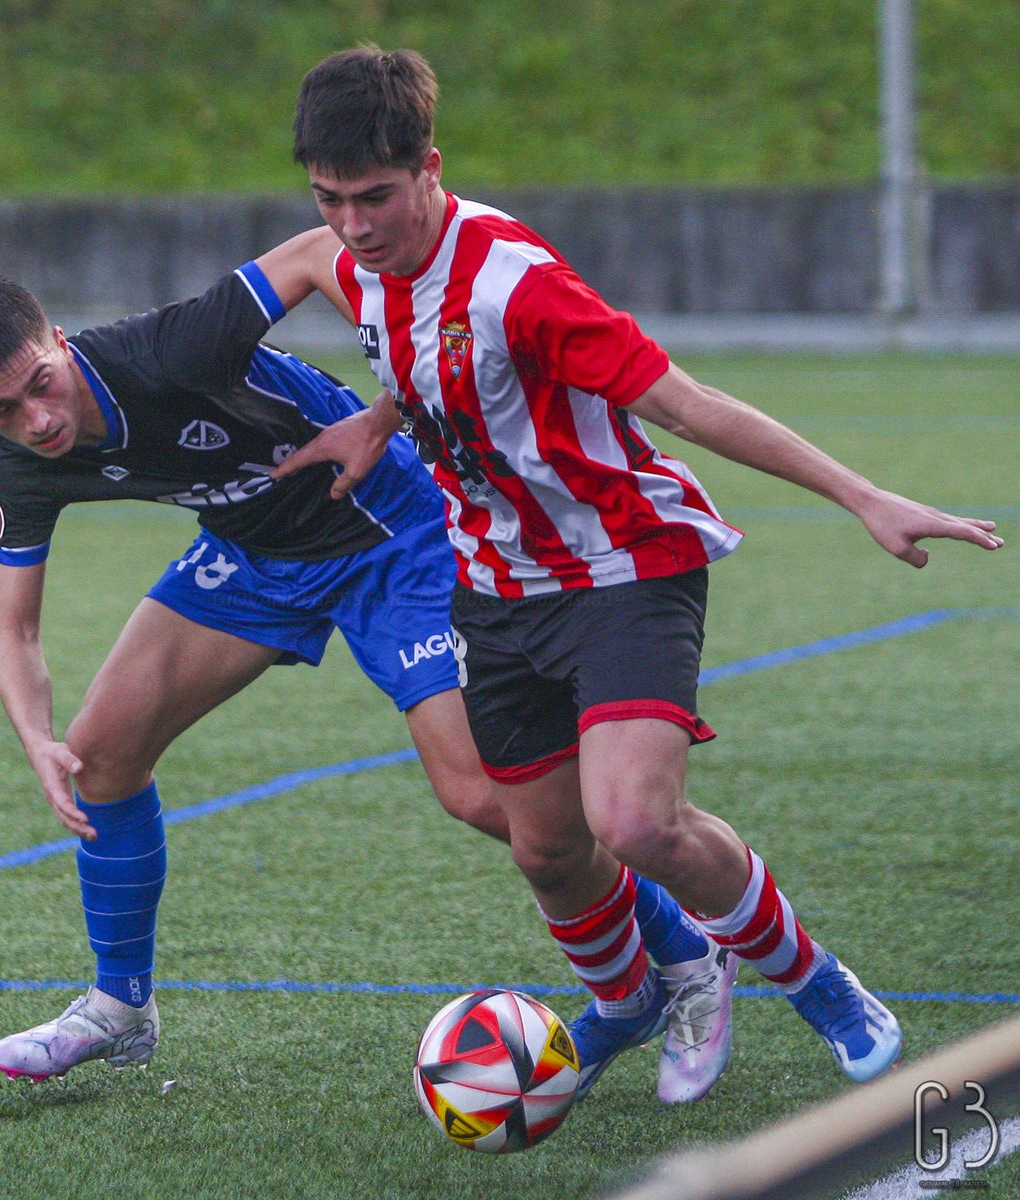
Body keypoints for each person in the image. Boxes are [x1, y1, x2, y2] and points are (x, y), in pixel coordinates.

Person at [262, 45, 1005, 1091]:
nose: (351, 225)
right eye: (329, 199)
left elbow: (686, 404)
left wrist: (862, 495)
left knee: (635, 822)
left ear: (431, 166)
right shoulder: (356, 267)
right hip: (494, 587)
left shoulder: (519, 285)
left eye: (375, 197)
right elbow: (421, 355)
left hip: (621, 564)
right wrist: (376, 423)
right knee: (547, 851)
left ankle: (820, 983)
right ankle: (640, 996)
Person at [0, 272, 737, 1103]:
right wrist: (35, 736)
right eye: (1, 411)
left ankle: (686, 955)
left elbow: (320, 250)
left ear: (59, 340)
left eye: (41, 385)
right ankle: (120, 1006)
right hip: (258, 553)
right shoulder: (22, 467)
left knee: (484, 797)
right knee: (98, 760)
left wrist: (388, 387)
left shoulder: (170, 347)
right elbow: (14, 633)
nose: (38, 420)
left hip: (393, 534)